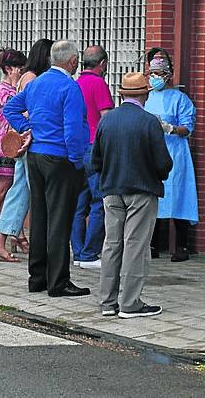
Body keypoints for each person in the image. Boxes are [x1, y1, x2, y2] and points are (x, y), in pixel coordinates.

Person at [4, 39, 90, 298]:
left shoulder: (37, 83)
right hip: (61, 158)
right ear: (73, 61)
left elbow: (11, 108)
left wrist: (26, 129)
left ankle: (37, 277)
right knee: (60, 221)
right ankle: (58, 281)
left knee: (40, 217)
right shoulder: (70, 87)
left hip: (36, 156)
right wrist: (76, 160)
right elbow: (73, 130)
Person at [94, 72, 173, 318]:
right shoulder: (149, 122)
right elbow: (163, 163)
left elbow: (96, 160)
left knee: (111, 245)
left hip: (111, 189)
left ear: (122, 94)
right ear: (145, 94)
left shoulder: (106, 121)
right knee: (135, 245)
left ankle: (107, 301)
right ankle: (130, 303)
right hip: (141, 189)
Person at [0, 38, 52, 257]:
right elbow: (25, 109)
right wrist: (30, 126)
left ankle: (1, 239)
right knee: (26, 191)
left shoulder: (29, 77)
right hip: (30, 141)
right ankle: (5, 239)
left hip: (27, 142)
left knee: (19, 191)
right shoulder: (31, 78)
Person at [143, 49, 198, 261]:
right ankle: (153, 245)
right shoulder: (146, 97)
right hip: (152, 151)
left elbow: (187, 127)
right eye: (152, 74)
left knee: (178, 194)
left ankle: (182, 245)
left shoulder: (180, 99)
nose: (154, 78)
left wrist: (169, 128)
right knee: (154, 195)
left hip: (175, 151)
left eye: (158, 74)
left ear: (167, 75)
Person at [0, 48, 29, 262]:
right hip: (5, 146)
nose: (21, 71)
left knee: (16, 191)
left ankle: (15, 233)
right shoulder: (2, 90)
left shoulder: (17, 87)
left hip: (18, 145)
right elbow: (18, 109)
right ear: (8, 69)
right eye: (18, 67)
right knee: (0, 190)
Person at [72, 45, 114, 270]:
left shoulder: (76, 84)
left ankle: (78, 252)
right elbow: (106, 119)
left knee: (79, 204)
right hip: (94, 149)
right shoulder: (99, 84)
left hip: (76, 149)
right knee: (99, 203)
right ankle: (89, 254)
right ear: (103, 63)